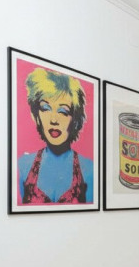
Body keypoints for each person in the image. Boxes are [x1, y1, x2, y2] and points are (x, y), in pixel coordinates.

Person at [18, 68, 93, 204]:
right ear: (37, 115)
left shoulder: (89, 169)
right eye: (45, 109)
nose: (53, 120)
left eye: (63, 111)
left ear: (75, 119)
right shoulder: (22, 165)